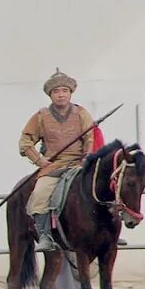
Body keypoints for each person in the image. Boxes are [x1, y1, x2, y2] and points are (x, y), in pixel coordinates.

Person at [19, 69, 95, 251]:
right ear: (50, 95)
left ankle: (109, 231)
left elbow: (90, 138)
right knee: (40, 194)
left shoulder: (81, 113)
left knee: (101, 188)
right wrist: (39, 160)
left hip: (79, 164)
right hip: (53, 166)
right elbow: (25, 141)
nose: (61, 95)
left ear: (70, 93)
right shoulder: (41, 116)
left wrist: (87, 156)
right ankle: (44, 235)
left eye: (64, 91)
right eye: (56, 91)